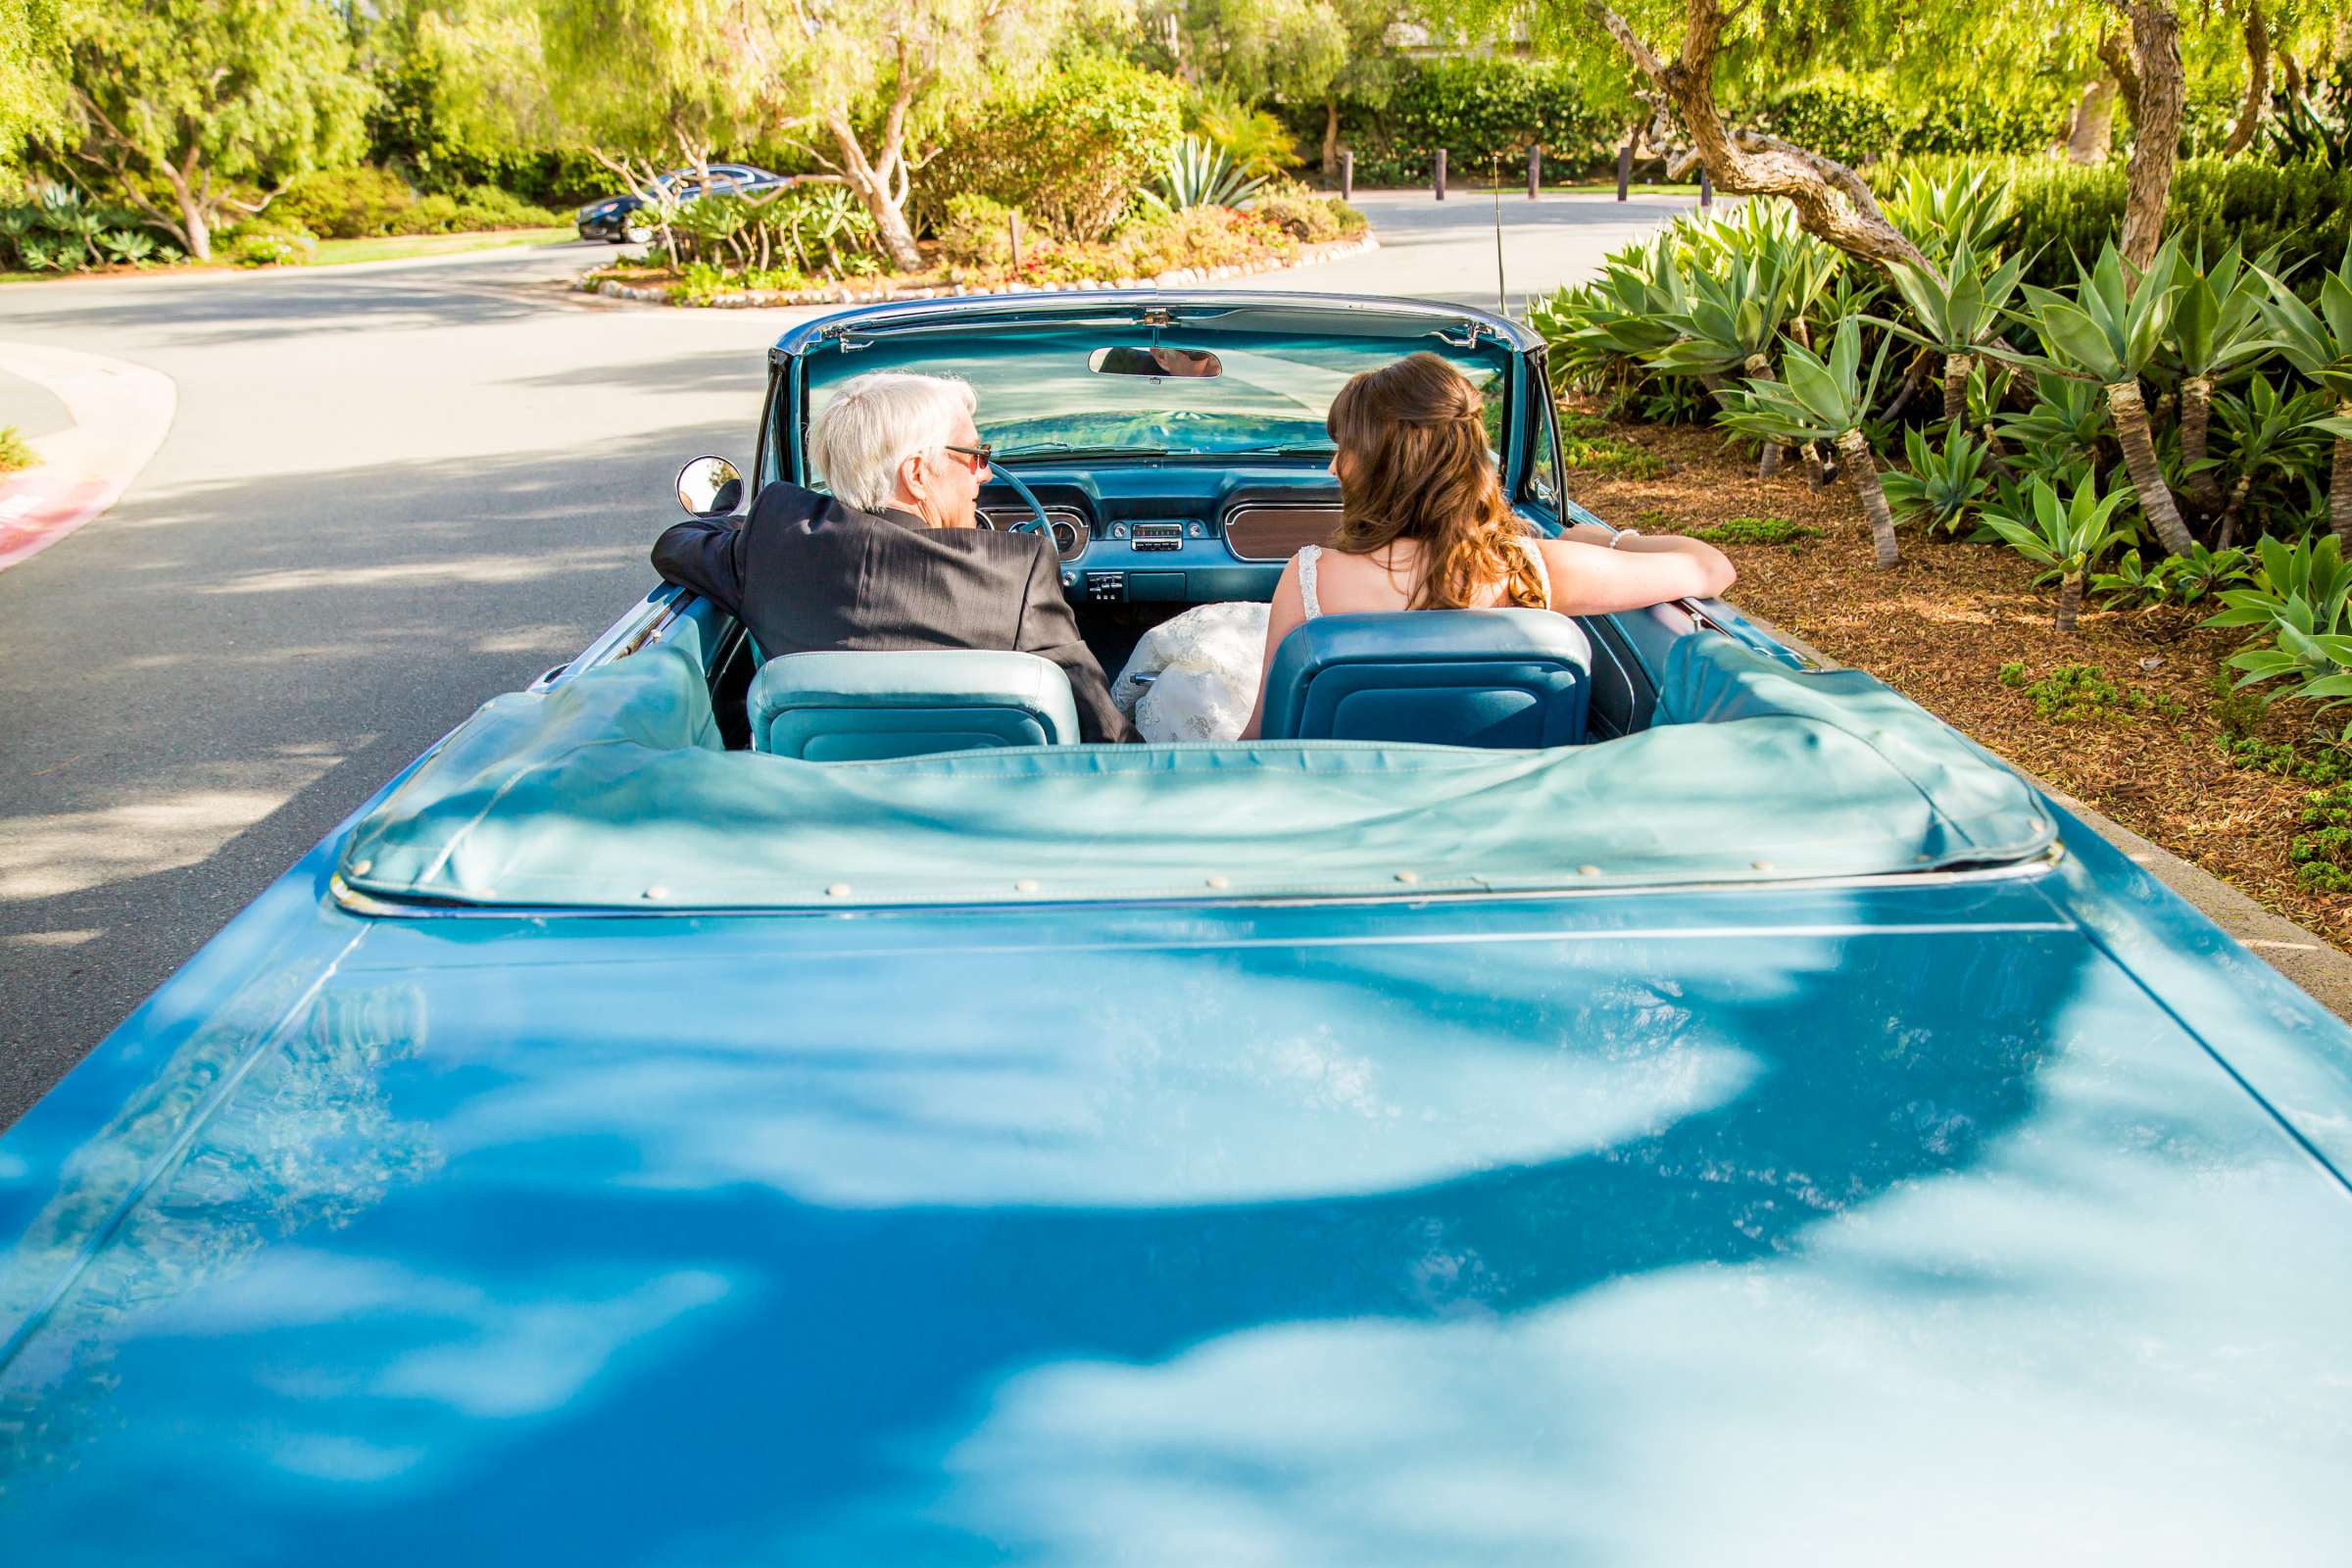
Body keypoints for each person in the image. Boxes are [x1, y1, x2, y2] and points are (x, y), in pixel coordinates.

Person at [1204, 352, 1734, 740]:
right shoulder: (1529, 570)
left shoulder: (1311, 578)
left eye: (1346, 449)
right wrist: (1612, 539)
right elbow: (1710, 567)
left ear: (1384, 466)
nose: (1334, 467)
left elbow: (1264, 740)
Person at [652, 371, 1135, 744]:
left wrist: (767, 528)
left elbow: (675, 544)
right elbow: (1102, 729)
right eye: (977, 456)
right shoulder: (1016, 574)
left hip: (827, 820)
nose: (984, 476)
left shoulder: (770, 545)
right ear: (919, 475)